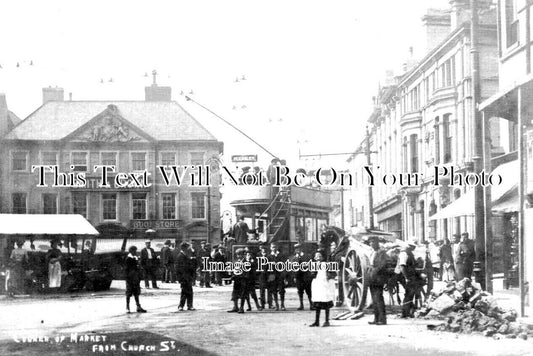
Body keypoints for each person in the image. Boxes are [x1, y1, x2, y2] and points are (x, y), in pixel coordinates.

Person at [309, 251, 335, 327]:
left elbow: (332, 273)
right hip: (317, 286)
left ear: (322, 258)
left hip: (324, 286)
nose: (318, 258)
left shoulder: (326, 265)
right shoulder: (313, 265)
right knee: (317, 304)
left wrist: (329, 276)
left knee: (326, 303)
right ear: (314, 258)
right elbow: (311, 275)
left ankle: (327, 321)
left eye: (319, 256)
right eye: (316, 256)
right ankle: (317, 321)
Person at [367, 236, 388, 325]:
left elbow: (383, 265)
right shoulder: (372, 252)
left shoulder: (382, 253)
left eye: (373, 242)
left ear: (377, 243)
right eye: (370, 242)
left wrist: (374, 271)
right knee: (374, 299)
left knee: (379, 298)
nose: (371, 244)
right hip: (372, 278)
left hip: (379, 278)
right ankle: (376, 318)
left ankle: (382, 319)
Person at [398, 239, 418, 318]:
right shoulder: (404, 253)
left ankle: (408, 311)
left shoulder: (410, 253)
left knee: (410, 293)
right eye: (413, 247)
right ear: (409, 246)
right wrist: (406, 277)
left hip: (411, 276)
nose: (414, 248)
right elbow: (402, 267)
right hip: (406, 276)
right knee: (408, 294)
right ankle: (405, 313)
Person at [125, 246, 147, 313]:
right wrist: (128, 278)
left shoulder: (135, 258)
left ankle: (138, 306)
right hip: (130, 279)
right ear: (131, 251)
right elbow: (126, 270)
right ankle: (127, 307)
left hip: (136, 278)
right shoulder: (128, 259)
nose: (136, 252)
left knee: (136, 293)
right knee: (129, 293)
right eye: (134, 251)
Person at [292, 244, 314, 310]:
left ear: (301, 249)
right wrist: (294, 277)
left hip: (306, 276)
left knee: (308, 291)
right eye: (296, 249)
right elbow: (293, 268)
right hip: (298, 277)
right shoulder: (294, 258)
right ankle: (301, 305)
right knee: (300, 291)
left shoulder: (306, 256)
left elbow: (309, 265)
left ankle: (311, 305)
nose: (297, 250)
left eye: (298, 249)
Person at [176, 242, 196, 311]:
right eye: (187, 247)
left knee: (188, 291)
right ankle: (183, 305)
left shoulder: (185, 256)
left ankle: (187, 305)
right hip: (184, 278)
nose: (189, 249)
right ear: (184, 248)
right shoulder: (180, 256)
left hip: (187, 277)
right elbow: (179, 269)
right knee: (185, 292)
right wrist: (180, 278)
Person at [228, 248, 248, 313]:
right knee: (235, 293)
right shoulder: (237, 262)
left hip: (243, 280)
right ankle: (235, 307)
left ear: (243, 255)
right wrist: (232, 276)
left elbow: (247, 272)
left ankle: (241, 307)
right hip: (237, 280)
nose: (238, 256)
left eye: (240, 254)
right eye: (237, 255)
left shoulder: (246, 262)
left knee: (242, 294)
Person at [268, 243, 286, 311]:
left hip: (280, 275)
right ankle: (276, 304)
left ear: (277, 247)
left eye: (275, 247)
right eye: (272, 247)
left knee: (281, 290)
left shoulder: (281, 255)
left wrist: (284, 275)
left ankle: (282, 304)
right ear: (270, 248)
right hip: (272, 276)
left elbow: (284, 265)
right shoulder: (269, 256)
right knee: (274, 290)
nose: (274, 248)